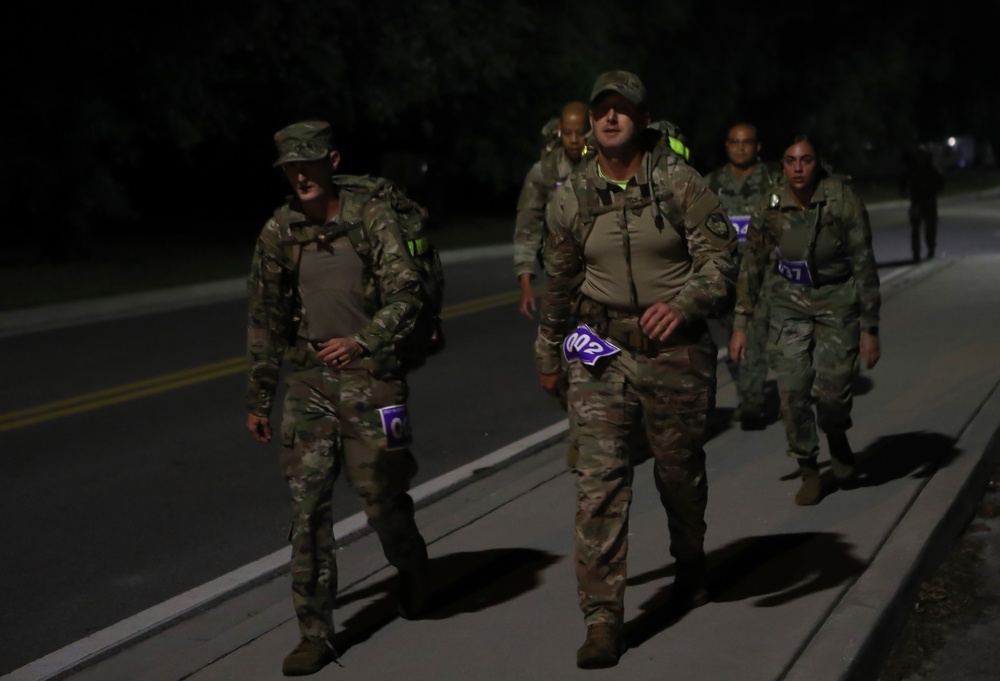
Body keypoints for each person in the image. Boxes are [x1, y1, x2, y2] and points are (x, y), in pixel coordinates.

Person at [535, 71, 737, 669]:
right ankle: (602, 619)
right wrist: (549, 350)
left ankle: (690, 562)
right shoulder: (570, 195)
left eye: (623, 110)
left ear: (643, 120)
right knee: (598, 484)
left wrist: (683, 306)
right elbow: (560, 283)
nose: (611, 118)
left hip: (674, 351)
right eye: (603, 110)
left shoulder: (679, 182)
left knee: (678, 472)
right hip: (600, 351)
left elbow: (722, 260)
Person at [245, 120, 430, 676]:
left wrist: (363, 341)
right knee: (307, 511)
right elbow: (266, 317)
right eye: (289, 167)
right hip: (309, 382)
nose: (299, 175)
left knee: (381, 493)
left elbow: (407, 292)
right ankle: (315, 632)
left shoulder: (371, 217)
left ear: (331, 162)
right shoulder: (280, 230)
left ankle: (414, 571)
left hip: (376, 378)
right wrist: (259, 396)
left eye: (308, 163)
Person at [730, 135, 881, 507]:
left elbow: (863, 263)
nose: (798, 168)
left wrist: (870, 327)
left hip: (837, 300)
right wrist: (741, 323)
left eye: (806, 160)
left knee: (832, 393)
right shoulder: (772, 204)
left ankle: (836, 434)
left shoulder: (842, 200)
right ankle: (810, 466)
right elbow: (752, 264)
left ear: (818, 163)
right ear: (782, 166)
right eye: (790, 161)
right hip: (789, 303)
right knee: (792, 390)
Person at [704, 122, 776, 430]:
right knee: (735, 335)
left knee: (754, 331)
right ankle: (748, 385)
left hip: (763, 274)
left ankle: (751, 401)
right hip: (725, 275)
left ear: (757, 146)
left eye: (747, 142)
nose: (741, 147)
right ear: (727, 146)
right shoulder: (712, 184)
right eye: (735, 142)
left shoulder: (772, 181)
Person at [514, 101, 591, 319]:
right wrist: (525, 283)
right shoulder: (544, 172)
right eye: (568, 133)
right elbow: (527, 226)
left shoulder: (604, 166)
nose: (574, 140)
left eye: (581, 133)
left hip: (601, 269)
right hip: (560, 269)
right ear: (559, 132)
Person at [900, 144, 943, 261]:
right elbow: (903, 181)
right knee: (915, 229)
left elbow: (940, 183)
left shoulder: (932, 170)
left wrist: (932, 190)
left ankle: (931, 249)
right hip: (916, 202)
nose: (921, 157)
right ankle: (916, 252)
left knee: (930, 229)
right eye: (919, 155)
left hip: (929, 203)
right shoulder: (912, 169)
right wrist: (904, 191)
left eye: (923, 155)